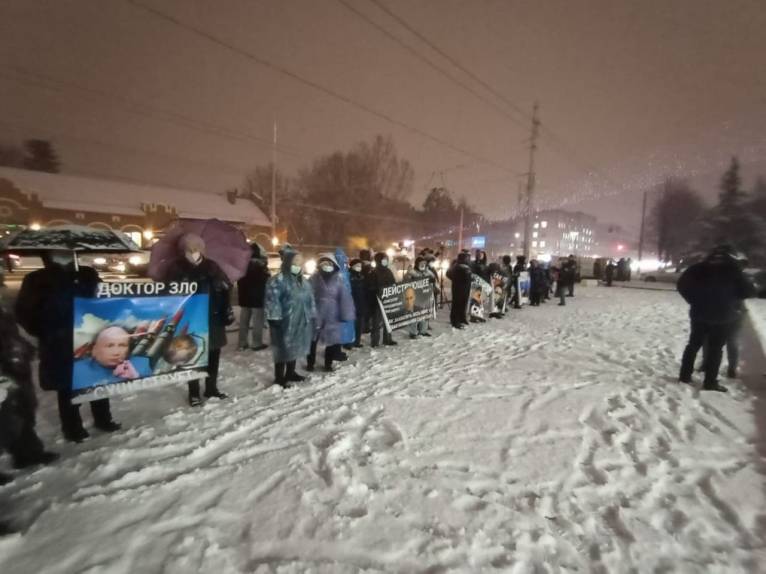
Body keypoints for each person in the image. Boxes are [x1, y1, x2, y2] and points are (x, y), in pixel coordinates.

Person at [15, 250, 121, 443]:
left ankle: (103, 419)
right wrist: (46, 331)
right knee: (67, 386)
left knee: (96, 378)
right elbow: (24, 311)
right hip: (60, 342)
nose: (63, 255)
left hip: (90, 336)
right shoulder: (37, 279)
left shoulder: (87, 274)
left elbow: (105, 299)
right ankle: (72, 428)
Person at [165, 234, 234, 406]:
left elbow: (226, 287)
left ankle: (211, 388)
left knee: (213, 355)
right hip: (190, 319)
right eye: (190, 249)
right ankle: (193, 392)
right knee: (192, 354)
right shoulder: (177, 268)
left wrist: (220, 288)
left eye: (196, 249)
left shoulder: (212, 266)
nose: (193, 252)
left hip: (213, 317)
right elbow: (168, 292)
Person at [677, 245, 755, 392]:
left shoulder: (699, 268)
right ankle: (710, 382)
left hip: (699, 313)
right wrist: (732, 300)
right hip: (724, 316)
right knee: (716, 349)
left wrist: (693, 300)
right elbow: (749, 291)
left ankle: (684, 376)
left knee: (693, 345)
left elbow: (682, 285)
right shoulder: (735, 270)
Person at [0, 301, 58, 473]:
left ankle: (28, 453)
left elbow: (11, 335)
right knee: (5, 419)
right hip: (5, 369)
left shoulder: (3, 310)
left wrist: (25, 348)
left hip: (16, 368)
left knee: (24, 410)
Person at [264, 246, 316, 387]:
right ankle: (279, 377)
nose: (297, 266)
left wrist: (311, 315)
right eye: (294, 263)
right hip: (283, 322)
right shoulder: (278, 281)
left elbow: (310, 299)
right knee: (282, 349)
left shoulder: (303, 282)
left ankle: (290, 372)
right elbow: (272, 301)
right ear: (287, 263)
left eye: (299, 263)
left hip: (299, 320)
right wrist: (274, 318)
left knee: (294, 347)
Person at [306, 253, 355, 372]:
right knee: (312, 340)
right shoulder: (313, 279)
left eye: (329, 263)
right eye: (324, 263)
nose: (327, 266)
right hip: (316, 313)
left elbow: (344, 298)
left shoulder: (338, 280)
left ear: (334, 265)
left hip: (333, 314)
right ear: (319, 265)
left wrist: (346, 313)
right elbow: (306, 296)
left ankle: (328, 364)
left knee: (331, 341)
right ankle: (310, 363)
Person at [73, 326, 152, 388]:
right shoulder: (75, 371)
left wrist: (136, 379)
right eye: (109, 346)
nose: (116, 352)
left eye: (122, 345)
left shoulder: (142, 365)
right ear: (95, 349)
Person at [236, 243, 270, 351]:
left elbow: (239, 281)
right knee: (257, 322)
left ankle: (242, 343)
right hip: (257, 299)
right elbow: (264, 281)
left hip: (245, 298)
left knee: (244, 322)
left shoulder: (242, 266)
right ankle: (256, 343)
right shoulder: (261, 266)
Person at [370, 251, 397, 347]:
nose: (385, 261)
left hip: (388, 300)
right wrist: (379, 290)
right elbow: (371, 287)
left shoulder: (388, 271)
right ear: (379, 261)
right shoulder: (374, 272)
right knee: (376, 322)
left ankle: (388, 339)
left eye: (386, 259)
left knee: (388, 320)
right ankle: (375, 341)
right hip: (377, 301)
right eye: (383, 259)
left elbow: (393, 282)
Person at [334, 248, 357, 353]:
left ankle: (346, 342)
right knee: (340, 326)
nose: (344, 260)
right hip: (340, 303)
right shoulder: (337, 273)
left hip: (347, 302)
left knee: (347, 323)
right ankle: (338, 348)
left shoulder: (346, 272)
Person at [404, 256, 432, 339]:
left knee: (425, 314)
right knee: (415, 315)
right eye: (421, 263)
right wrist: (408, 274)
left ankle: (423, 331)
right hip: (415, 297)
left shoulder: (427, 272)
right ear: (417, 264)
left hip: (425, 296)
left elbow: (432, 280)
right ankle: (413, 332)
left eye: (424, 263)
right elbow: (406, 281)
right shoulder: (412, 272)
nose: (423, 264)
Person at [447, 251, 472, 329]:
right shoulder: (456, 266)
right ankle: (455, 321)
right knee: (457, 304)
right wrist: (457, 280)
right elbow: (448, 274)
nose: (468, 259)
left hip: (466, 288)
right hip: (458, 288)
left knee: (463, 304)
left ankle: (462, 318)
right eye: (466, 258)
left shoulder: (467, 266)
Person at [349, 258, 367, 348]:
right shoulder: (349, 276)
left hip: (361, 303)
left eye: (360, 266)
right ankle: (349, 342)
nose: (359, 267)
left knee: (359, 324)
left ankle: (357, 341)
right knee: (352, 325)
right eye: (357, 266)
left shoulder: (361, 276)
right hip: (352, 303)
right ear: (352, 266)